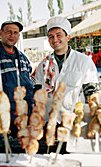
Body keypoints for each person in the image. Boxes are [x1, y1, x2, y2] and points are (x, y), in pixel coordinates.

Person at [35, 17, 100, 153]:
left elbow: (92, 92)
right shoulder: (43, 65)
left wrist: (96, 117)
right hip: (50, 123)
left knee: (71, 157)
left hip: (73, 123)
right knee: (49, 157)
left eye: (59, 35)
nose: (55, 39)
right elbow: (37, 95)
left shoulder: (83, 61)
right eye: (51, 36)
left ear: (68, 37)